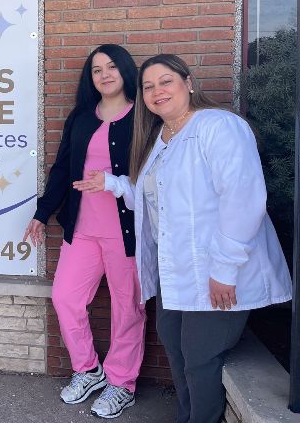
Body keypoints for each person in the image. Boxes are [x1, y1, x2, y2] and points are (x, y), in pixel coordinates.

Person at [78, 53, 292, 423]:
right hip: (175, 272)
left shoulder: (218, 126)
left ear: (188, 82)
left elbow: (244, 198)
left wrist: (225, 269)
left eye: (166, 81)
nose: (157, 91)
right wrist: (112, 184)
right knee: (177, 354)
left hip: (217, 272)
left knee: (201, 359)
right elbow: (152, 196)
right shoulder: (161, 137)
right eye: (148, 86)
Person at [23, 44, 145, 419]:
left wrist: (112, 181)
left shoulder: (144, 116)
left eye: (111, 67)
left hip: (127, 233)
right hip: (83, 229)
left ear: (125, 70)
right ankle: (88, 370)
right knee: (64, 297)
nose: (104, 74)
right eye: (96, 70)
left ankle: (122, 383)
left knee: (128, 309)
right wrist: (42, 214)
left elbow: (155, 177)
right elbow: (62, 169)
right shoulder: (80, 117)